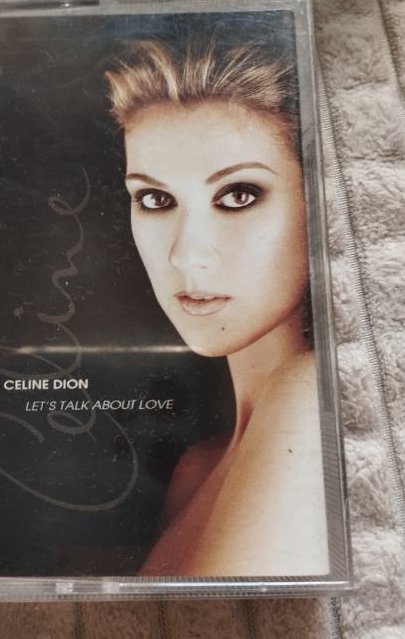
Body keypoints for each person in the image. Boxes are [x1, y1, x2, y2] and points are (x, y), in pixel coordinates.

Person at [105, 39, 329, 577]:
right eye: (155, 200)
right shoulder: (198, 467)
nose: (185, 254)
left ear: (316, 201)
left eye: (238, 195)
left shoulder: (311, 391)